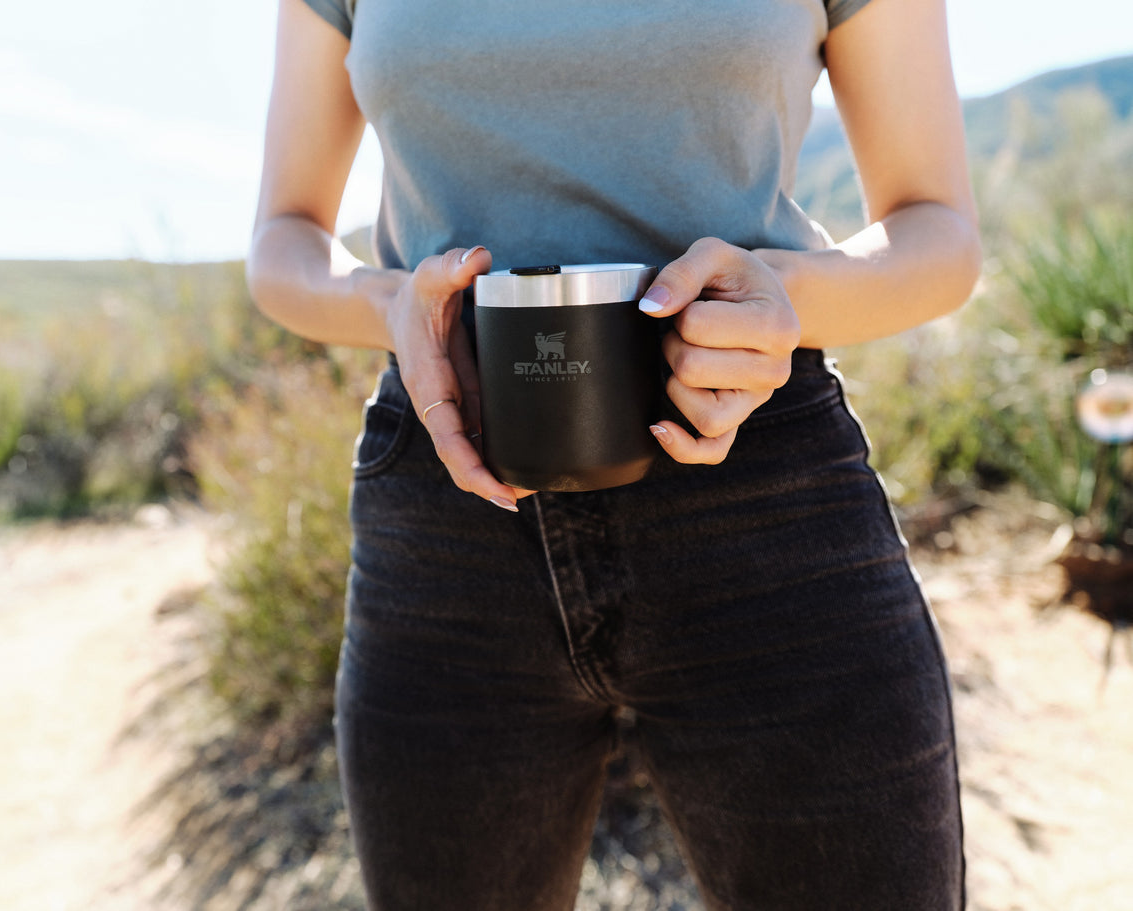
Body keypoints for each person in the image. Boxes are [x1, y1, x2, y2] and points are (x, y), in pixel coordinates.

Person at [246, 0, 982, 908]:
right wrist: (390, 307)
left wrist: (781, 295)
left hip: (759, 495)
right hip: (448, 512)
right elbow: (283, 237)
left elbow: (936, 228)